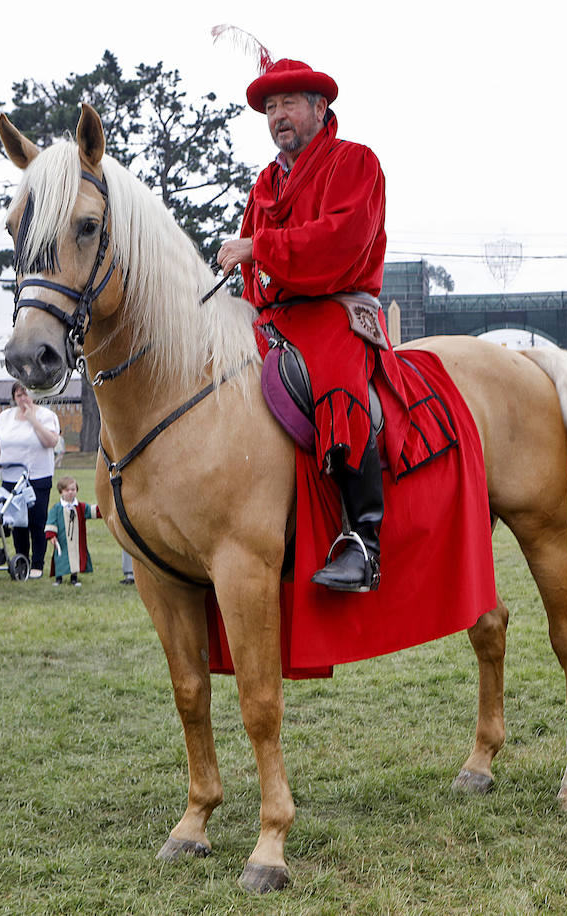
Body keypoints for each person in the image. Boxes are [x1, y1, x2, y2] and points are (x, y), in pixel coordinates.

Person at [217, 54, 393, 593]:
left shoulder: (356, 164)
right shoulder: (264, 185)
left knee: (334, 372)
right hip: (274, 315)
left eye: (288, 103)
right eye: (270, 108)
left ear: (320, 107)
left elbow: (337, 245)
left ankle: (364, 538)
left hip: (336, 304)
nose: (277, 117)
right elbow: (252, 275)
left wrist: (256, 246)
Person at [0, 382, 61, 579]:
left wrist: (33, 420)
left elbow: (51, 442)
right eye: (19, 395)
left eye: (26, 394)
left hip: (37, 477)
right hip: (11, 478)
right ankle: (21, 560)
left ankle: (37, 563)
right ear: (14, 397)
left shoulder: (46, 415)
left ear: (33, 395)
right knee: (17, 523)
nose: (23, 398)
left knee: (37, 521)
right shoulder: (5, 417)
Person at [45, 475, 100, 587]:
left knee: (75, 557)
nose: (70, 492)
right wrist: (52, 536)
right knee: (60, 558)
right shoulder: (57, 508)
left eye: (73, 490)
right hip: (62, 539)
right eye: (67, 490)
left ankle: (74, 578)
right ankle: (58, 578)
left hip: (76, 539)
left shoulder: (80, 507)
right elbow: (51, 521)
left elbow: (93, 511)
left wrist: (105, 507)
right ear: (61, 492)